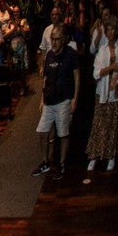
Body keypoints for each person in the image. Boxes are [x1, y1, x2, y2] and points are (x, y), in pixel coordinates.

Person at [33, 25, 80, 180]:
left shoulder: (71, 54)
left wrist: (74, 99)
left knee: (63, 133)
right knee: (42, 132)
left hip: (63, 100)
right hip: (49, 100)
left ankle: (61, 164)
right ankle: (45, 161)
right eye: (52, 39)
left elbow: (77, 77)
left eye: (57, 39)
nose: (54, 42)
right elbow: (46, 78)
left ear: (64, 39)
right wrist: (42, 99)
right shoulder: (49, 56)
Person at [85, 19, 118, 171]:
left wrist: (117, 76)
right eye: (108, 30)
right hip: (102, 93)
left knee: (113, 126)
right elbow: (96, 73)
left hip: (115, 93)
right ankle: (94, 157)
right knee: (98, 125)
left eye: (113, 29)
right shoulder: (102, 50)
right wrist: (111, 68)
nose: (111, 32)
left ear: (116, 31)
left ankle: (111, 156)